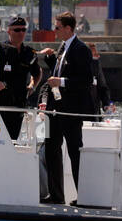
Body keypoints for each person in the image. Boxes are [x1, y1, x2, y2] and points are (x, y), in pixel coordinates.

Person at [37, 12, 93, 204]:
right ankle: (56, 195)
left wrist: (60, 81)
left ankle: (84, 196)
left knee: (75, 152)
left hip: (70, 110)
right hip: (55, 109)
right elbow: (59, 71)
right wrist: (51, 60)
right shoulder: (63, 47)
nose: (55, 30)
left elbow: (85, 81)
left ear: (68, 28)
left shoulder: (81, 49)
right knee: (52, 150)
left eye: (57, 27)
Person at [0, 17, 41, 139]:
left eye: (23, 30)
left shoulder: (29, 52)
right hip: (1, 101)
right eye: (17, 30)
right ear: (9, 31)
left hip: (19, 101)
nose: (21, 33)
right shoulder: (1, 50)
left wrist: (32, 86)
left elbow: (37, 72)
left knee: (13, 137)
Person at [88, 42, 114, 119]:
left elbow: (103, 88)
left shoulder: (97, 66)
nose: (97, 56)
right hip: (79, 113)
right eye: (94, 55)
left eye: (97, 54)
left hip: (94, 112)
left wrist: (107, 105)